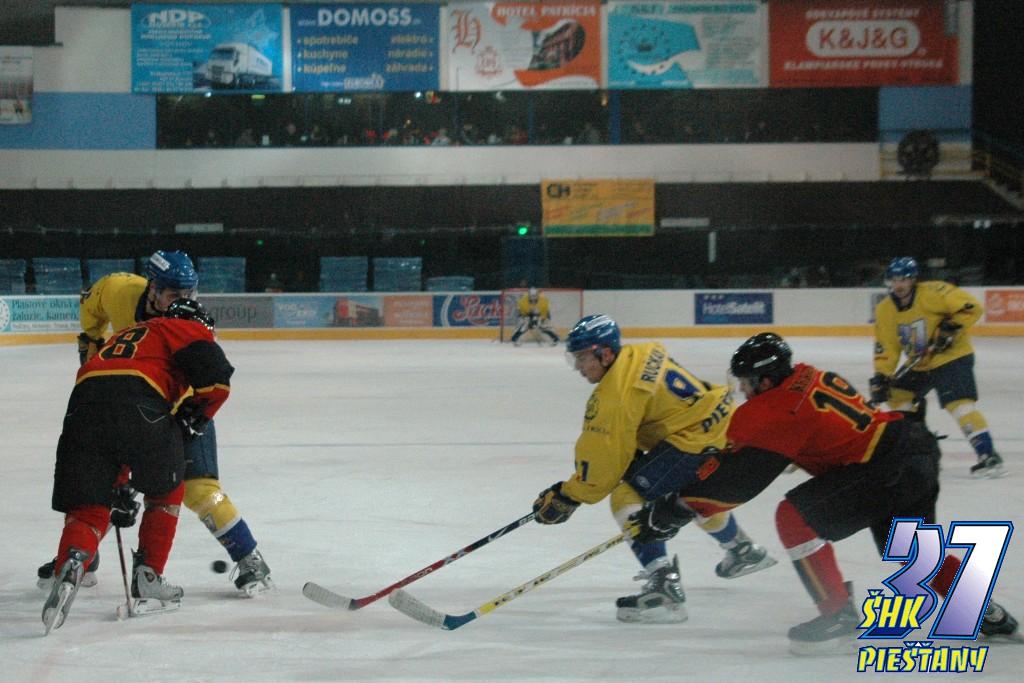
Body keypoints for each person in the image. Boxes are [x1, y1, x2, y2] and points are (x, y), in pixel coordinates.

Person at [631, 332, 1019, 654]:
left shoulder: (774, 409)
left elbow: (739, 481)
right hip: (912, 449)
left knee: (794, 518)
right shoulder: (809, 375)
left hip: (885, 466)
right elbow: (806, 437)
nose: (744, 390)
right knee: (911, 550)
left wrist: (675, 509)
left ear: (765, 381)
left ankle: (838, 615)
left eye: (746, 382)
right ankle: (987, 613)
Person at [38, 250, 272, 595]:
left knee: (197, 488)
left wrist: (189, 421)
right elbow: (91, 307)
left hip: (181, 404)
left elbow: (207, 381)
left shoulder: (190, 323)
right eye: (174, 293)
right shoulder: (120, 291)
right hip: (135, 398)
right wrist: (92, 339)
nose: (183, 299)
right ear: (152, 289)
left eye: (189, 293)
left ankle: (249, 557)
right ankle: (83, 556)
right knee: (101, 484)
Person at [531, 315, 777, 624]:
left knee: (626, 496)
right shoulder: (642, 352)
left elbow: (602, 470)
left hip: (693, 441)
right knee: (686, 493)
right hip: (721, 420)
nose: (579, 367)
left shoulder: (615, 396)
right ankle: (743, 550)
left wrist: (568, 495)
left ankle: (664, 587)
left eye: (582, 358)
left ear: (604, 354)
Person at [43, 298, 233, 633]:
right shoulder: (185, 327)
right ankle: (149, 577)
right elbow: (217, 382)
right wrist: (192, 418)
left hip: (82, 407)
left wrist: (120, 482)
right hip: (141, 399)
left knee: (89, 507)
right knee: (166, 490)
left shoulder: (129, 333)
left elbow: (109, 404)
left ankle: (72, 562)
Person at [870, 256, 1003, 477]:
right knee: (897, 394)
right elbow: (887, 347)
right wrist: (882, 376)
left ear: (913, 279)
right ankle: (921, 449)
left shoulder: (934, 292)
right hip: (921, 363)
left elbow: (971, 308)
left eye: (904, 279)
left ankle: (988, 456)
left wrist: (950, 328)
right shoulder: (885, 310)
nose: (899, 285)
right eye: (894, 280)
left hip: (951, 357)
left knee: (958, 405)